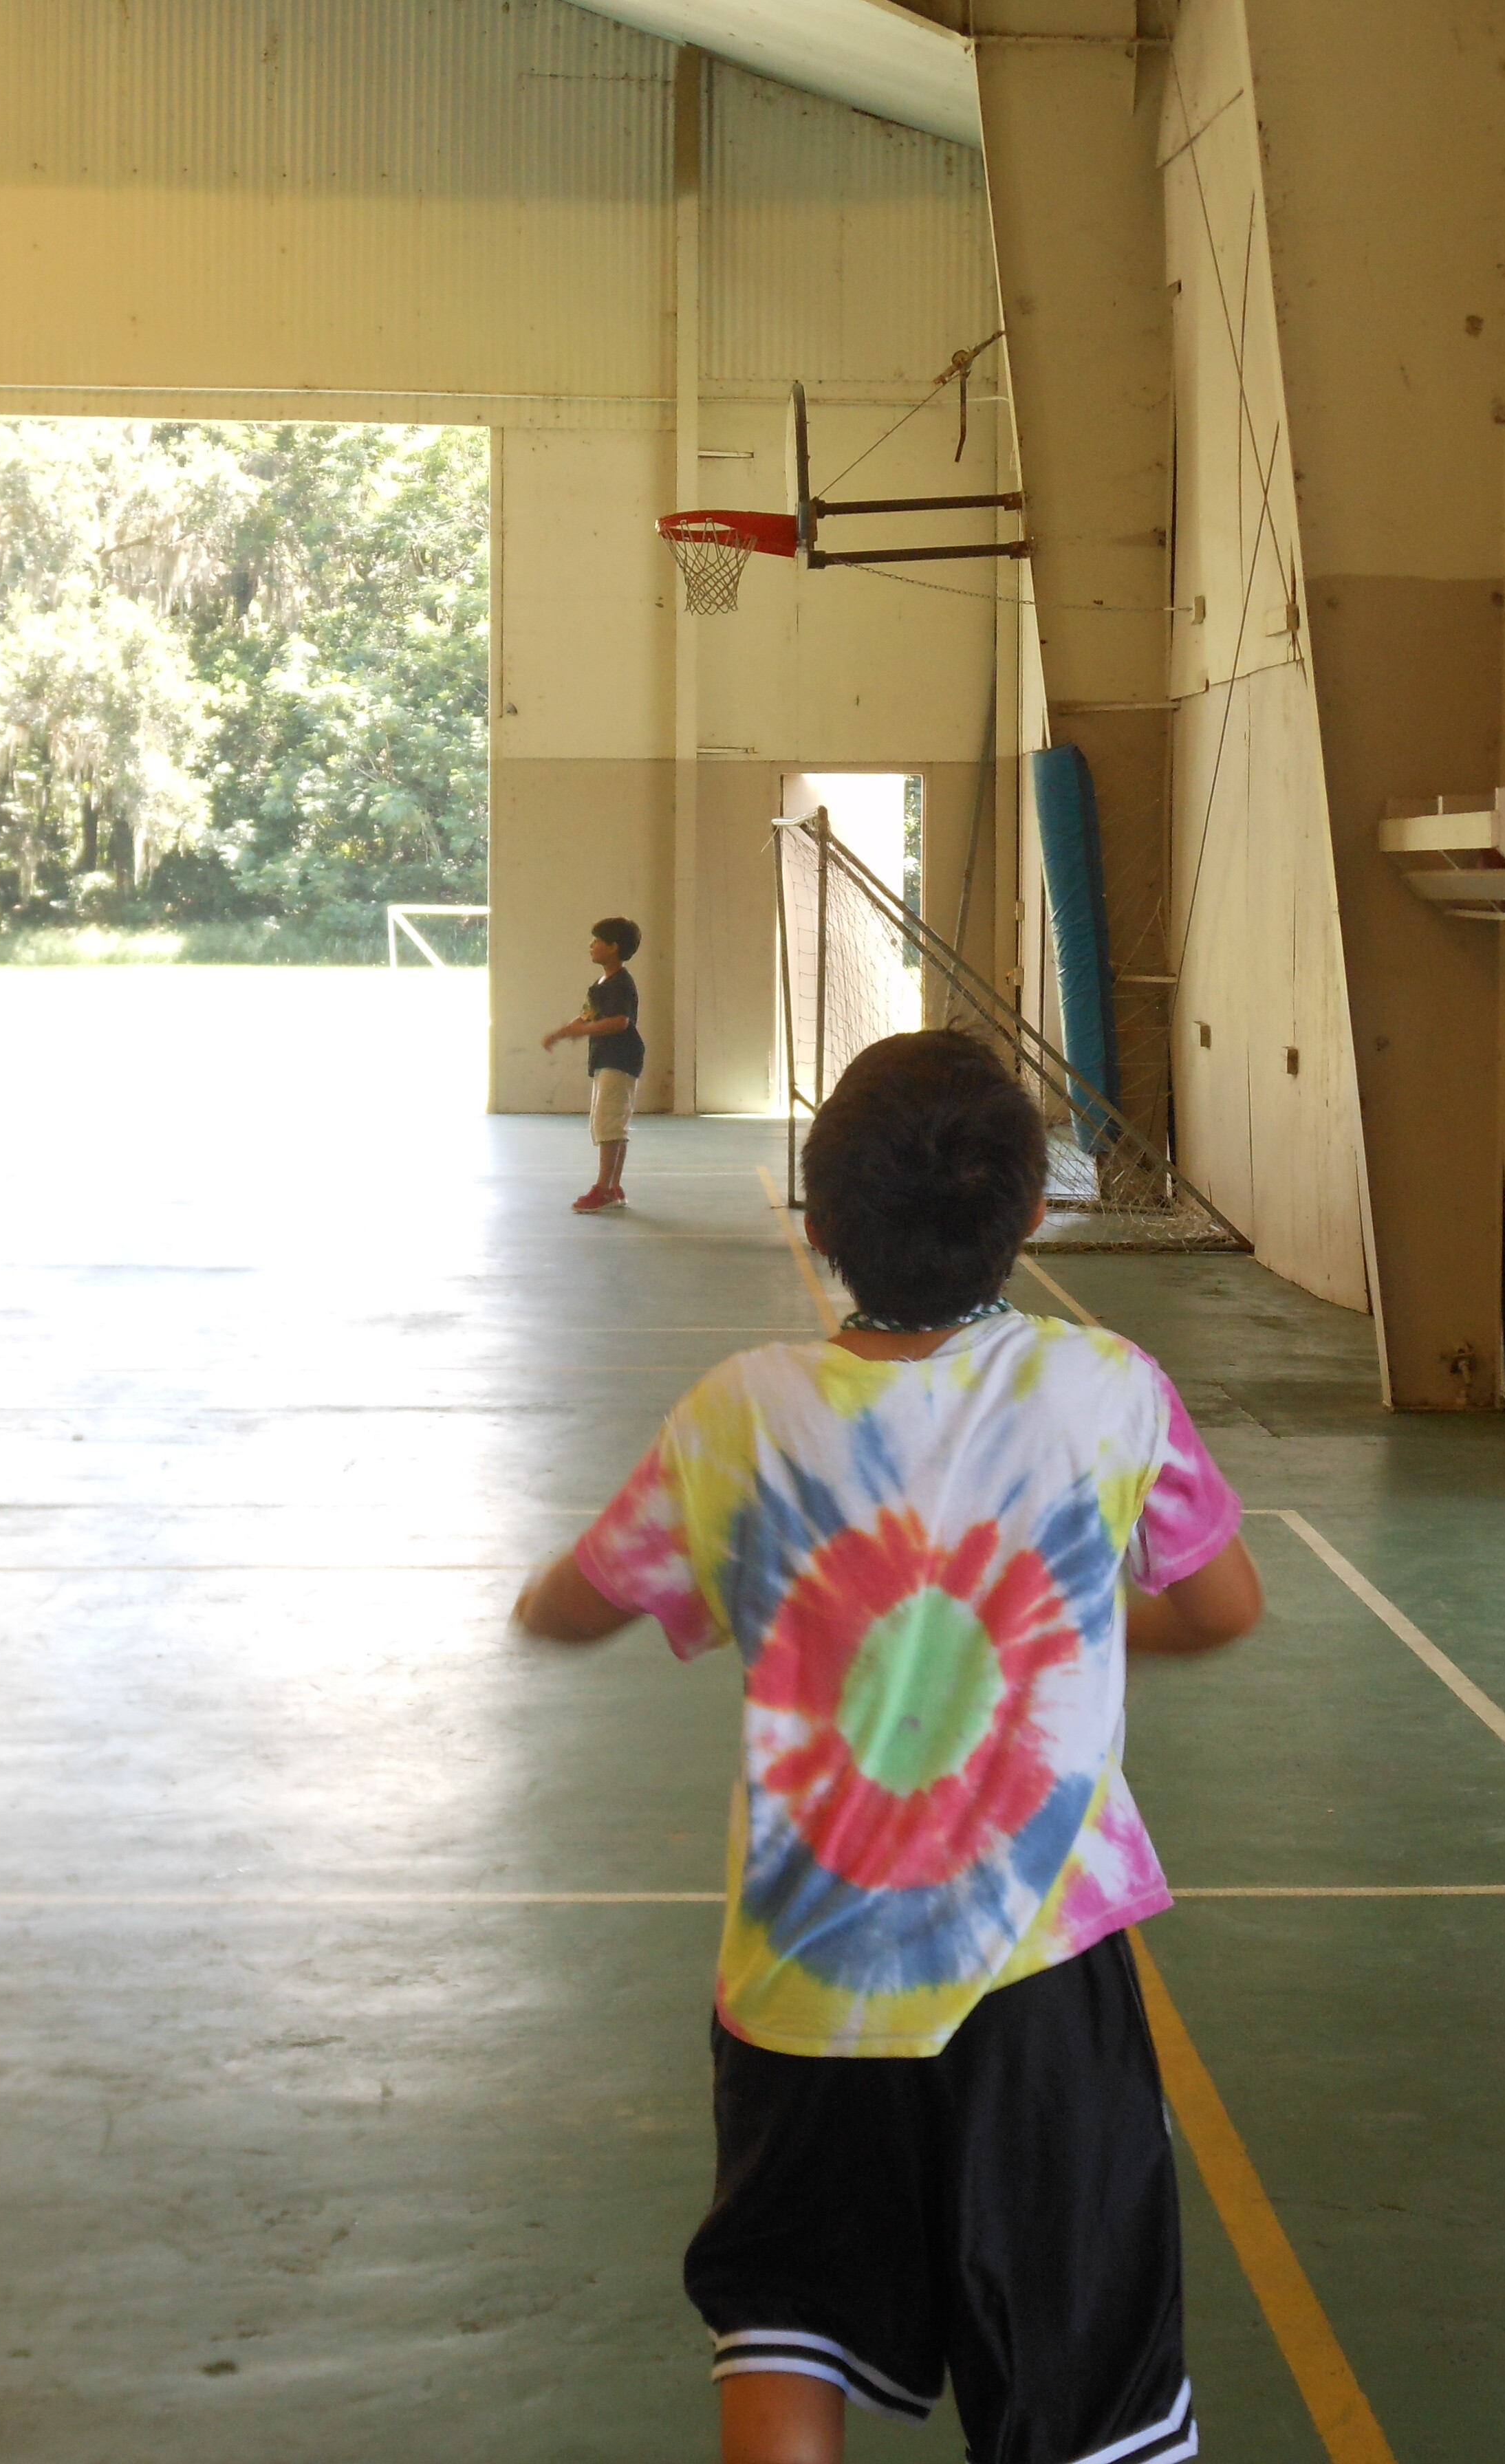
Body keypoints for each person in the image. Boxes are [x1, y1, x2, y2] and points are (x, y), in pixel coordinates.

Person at [512, 1027, 1261, 2464]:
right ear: (1027, 1213)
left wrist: (546, 1599)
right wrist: (1078, 1620)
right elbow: (1221, 1605)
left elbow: (575, 1602)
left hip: (809, 1983)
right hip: (1038, 1986)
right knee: (1088, 2396)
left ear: (821, 1220)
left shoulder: (742, 1411)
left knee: (787, 2327)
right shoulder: (1106, 1386)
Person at [541, 916, 645, 1214]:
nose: (591, 945)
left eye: (597, 941)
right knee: (611, 1123)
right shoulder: (600, 985)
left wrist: (583, 1031)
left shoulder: (621, 984)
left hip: (620, 1058)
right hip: (606, 1059)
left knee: (608, 1123)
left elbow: (620, 1022)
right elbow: (587, 1016)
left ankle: (603, 1189)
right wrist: (562, 1033)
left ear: (613, 948)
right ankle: (613, 1186)